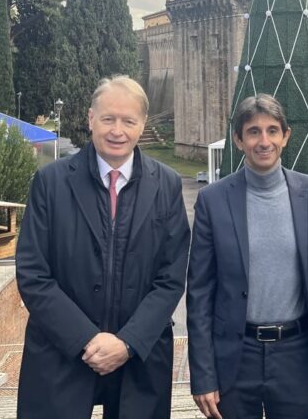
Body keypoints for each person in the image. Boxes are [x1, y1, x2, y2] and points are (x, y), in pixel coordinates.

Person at [15, 75, 190, 418]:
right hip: (60, 353)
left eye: (129, 121)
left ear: (142, 125)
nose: (117, 131)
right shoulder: (51, 183)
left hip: (138, 357)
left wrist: (127, 343)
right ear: (91, 119)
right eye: (108, 119)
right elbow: (33, 273)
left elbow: (171, 278)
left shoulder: (166, 185)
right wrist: (85, 339)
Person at [187, 94, 308, 419]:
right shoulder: (213, 201)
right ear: (239, 140)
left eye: (272, 130)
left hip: (298, 356)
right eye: (253, 132)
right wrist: (203, 375)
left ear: (286, 136)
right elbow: (199, 294)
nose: (264, 141)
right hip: (235, 357)